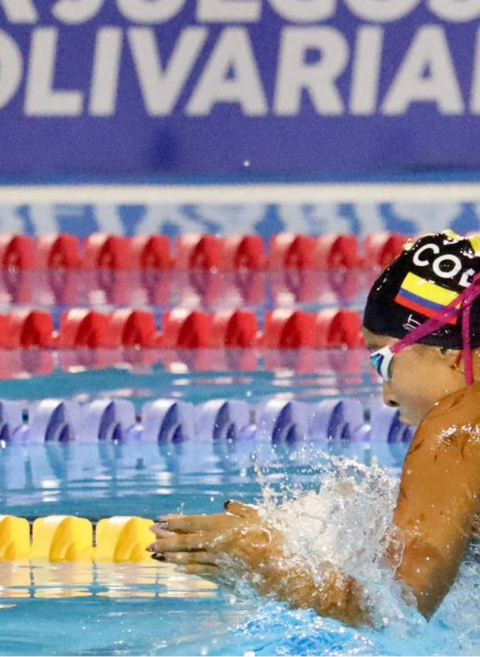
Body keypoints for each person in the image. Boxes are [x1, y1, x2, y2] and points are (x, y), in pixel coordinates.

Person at [147, 231, 480, 627]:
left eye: (382, 362)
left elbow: (397, 614)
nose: (387, 396)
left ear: (448, 350)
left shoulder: (457, 428)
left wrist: (269, 566)